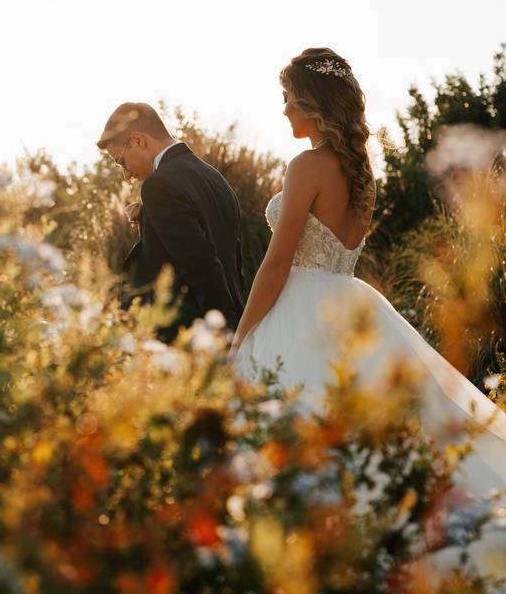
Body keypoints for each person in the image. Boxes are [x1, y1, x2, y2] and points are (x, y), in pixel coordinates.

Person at [229, 47, 506, 568]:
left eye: (289, 99)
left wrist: (241, 337)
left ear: (313, 104)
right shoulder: (362, 173)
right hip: (350, 304)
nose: (284, 111)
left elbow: (278, 262)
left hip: (301, 308)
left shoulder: (307, 166)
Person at [97, 102, 246, 342]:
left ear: (138, 140)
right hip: (232, 320)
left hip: (191, 335)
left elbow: (200, 264)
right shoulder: (215, 178)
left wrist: (218, 334)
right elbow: (228, 256)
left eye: (121, 162)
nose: (126, 176)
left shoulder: (159, 186)